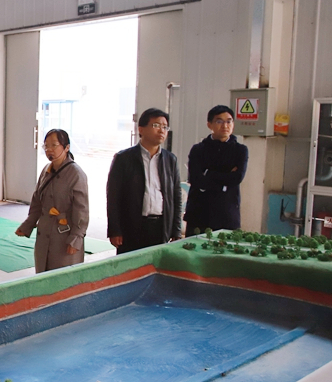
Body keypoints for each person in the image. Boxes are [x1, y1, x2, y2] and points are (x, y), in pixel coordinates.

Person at [106, 108, 182, 254]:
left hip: (161, 227)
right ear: (141, 129)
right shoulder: (124, 158)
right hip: (132, 226)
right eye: (156, 125)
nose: (161, 130)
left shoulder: (170, 160)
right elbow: (113, 197)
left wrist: (176, 230)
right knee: (131, 266)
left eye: (165, 127)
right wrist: (114, 229)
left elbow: (176, 197)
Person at [15, 129, 89, 272]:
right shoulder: (46, 171)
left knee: (63, 278)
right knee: (43, 275)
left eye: (54, 145)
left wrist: (76, 239)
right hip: (44, 234)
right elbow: (37, 202)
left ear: (66, 147)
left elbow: (82, 211)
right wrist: (28, 224)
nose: (49, 150)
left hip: (64, 236)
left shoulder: (76, 174)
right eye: (46, 146)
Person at [184, 105, 249, 235]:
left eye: (229, 121)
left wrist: (208, 173)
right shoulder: (198, 149)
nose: (225, 126)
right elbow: (196, 179)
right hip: (199, 213)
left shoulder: (240, 150)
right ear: (209, 124)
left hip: (227, 214)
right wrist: (224, 183)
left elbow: (237, 178)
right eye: (219, 121)